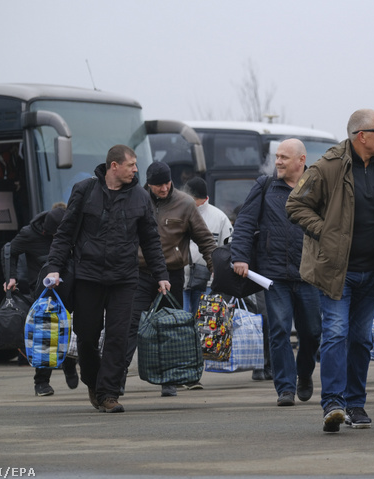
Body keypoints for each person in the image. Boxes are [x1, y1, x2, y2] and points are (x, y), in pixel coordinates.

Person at [286, 109, 374, 432]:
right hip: (335, 271)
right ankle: (332, 403)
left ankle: (356, 404)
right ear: (362, 136)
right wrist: (325, 233)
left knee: (361, 339)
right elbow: (296, 205)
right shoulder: (327, 168)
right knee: (336, 332)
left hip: (373, 273)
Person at [45, 144, 171, 413]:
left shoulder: (140, 196)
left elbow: (150, 240)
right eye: (131, 165)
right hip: (88, 277)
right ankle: (93, 381)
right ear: (114, 166)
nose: (136, 170)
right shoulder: (84, 191)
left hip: (124, 279)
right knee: (87, 337)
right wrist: (53, 268)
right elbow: (65, 233)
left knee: (118, 337)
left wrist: (161, 275)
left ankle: (109, 394)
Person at [232, 139, 322, 407]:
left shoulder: (317, 189)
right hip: (274, 276)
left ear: (301, 160)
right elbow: (245, 221)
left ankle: (304, 373)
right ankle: (285, 387)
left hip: (308, 274)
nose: (278, 161)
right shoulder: (266, 185)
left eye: (284, 157)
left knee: (312, 333)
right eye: (277, 156)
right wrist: (239, 256)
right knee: (279, 329)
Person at [123, 162, 217, 397]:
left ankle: (170, 380)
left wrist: (216, 266)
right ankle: (117, 378)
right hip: (140, 273)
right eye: (157, 185)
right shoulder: (135, 199)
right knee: (129, 326)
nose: (163, 188)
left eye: (166, 183)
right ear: (148, 184)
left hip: (171, 274)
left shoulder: (185, 203)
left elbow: (205, 239)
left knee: (170, 329)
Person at [4, 207, 79, 396]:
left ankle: (69, 364)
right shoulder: (29, 234)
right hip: (43, 291)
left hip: (70, 286)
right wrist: (10, 277)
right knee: (45, 334)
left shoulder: (71, 231)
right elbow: (9, 251)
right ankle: (41, 382)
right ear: (47, 231)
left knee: (72, 331)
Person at [181, 176, 233, 313]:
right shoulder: (179, 213)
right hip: (181, 280)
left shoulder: (220, 218)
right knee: (181, 323)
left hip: (208, 282)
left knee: (204, 323)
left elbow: (229, 248)